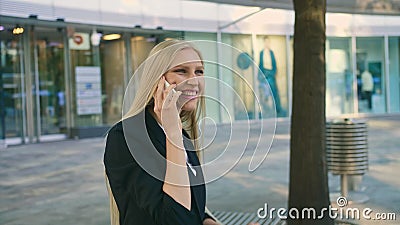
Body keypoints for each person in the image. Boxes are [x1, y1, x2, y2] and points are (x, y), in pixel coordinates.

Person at [103, 40, 259, 225]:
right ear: (158, 79)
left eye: (199, 72)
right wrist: (173, 134)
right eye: (181, 71)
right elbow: (175, 218)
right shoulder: (127, 136)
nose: (194, 80)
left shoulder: (181, 135)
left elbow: (194, 211)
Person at [258, 37, 285, 117]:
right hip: (265, 73)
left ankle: (278, 109)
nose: (267, 44)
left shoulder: (271, 53)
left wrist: (273, 73)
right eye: (265, 42)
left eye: (268, 42)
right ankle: (265, 110)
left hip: (270, 73)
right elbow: (260, 64)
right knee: (264, 92)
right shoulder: (262, 53)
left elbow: (274, 64)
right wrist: (261, 74)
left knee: (274, 92)